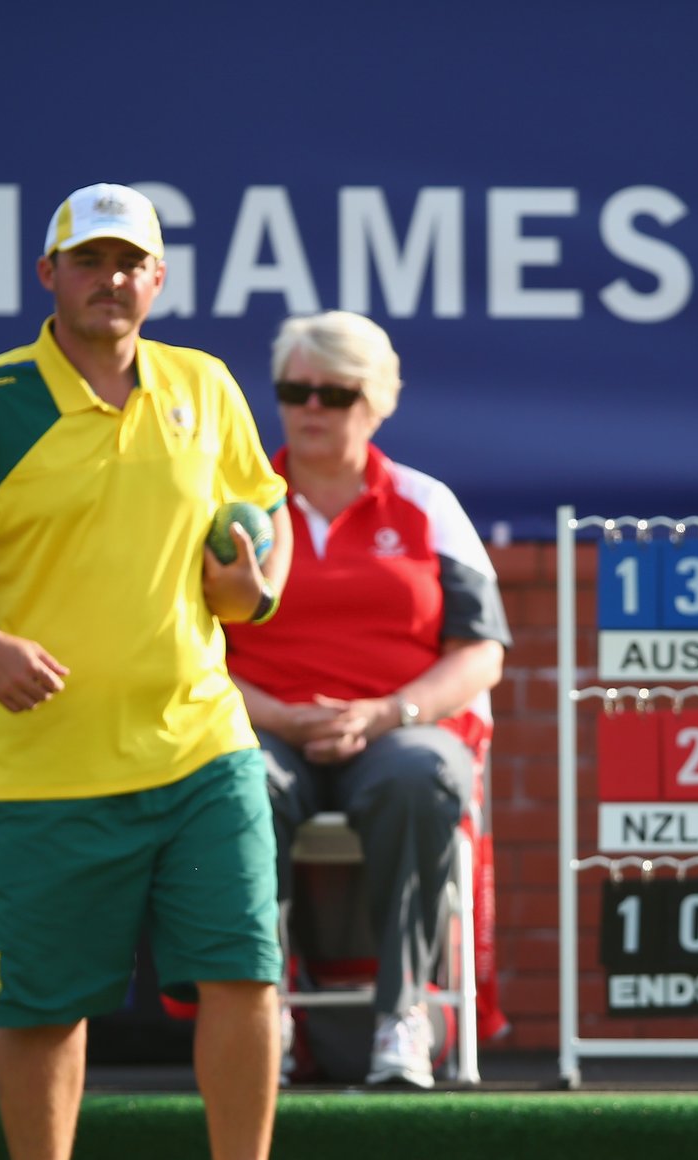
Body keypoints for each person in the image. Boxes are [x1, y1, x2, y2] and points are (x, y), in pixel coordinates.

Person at [0, 183, 342, 1160]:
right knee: (43, 1005)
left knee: (245, 975)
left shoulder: (206, 384)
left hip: (200, 747)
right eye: (91, 260)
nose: (112, 278)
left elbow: (255, 520)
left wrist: (259, 583)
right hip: (42, 770)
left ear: (159, 281)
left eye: (132, 262)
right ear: (49, 275)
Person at [226, 311, 510, 1090]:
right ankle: (263, 1014)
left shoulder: (426, 503)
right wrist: (276, 715)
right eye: (295, 390)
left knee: (423, 775)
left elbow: (482, 651)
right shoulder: (236, 511)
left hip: (396, 725)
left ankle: (403, 1017)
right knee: (232, 782)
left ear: (378, 402)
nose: (312, 407)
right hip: (262, 723)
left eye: (336, 393)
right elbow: (188, 652)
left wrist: (388, 713)